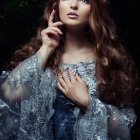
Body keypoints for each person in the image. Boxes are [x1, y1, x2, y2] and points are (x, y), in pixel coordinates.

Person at [0, 0, 138, 139]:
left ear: (95, 9)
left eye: (84, 0)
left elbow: (125, 125)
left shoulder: (107, 60)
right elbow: (9, 94)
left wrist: (88, 103)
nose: (73, 5)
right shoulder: (41, 54)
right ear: (57, 4)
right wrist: (46, 48)